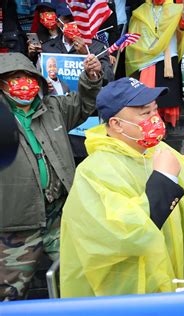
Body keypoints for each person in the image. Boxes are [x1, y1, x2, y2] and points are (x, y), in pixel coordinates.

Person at [59, 77, 184, 297]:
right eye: (145, 113)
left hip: (170, 279)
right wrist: (165, 180)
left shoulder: (154, 151)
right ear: (116, 124)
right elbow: (124, 232)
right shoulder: (94, 171)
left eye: (155, 110)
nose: (155, 119)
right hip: (127, 293)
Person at [0, 52, 102, 301]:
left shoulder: (54, 108)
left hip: (61, 216)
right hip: (16, 226)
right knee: (7, 296)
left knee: (83, 280)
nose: (23, 82)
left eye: (27, 76)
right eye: (14, 77)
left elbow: (85, 103)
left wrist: (91, 76)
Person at [126, 0, 184, 126]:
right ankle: (147, 123)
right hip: (147, 58)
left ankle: (163, 124)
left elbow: (182, 29)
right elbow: (136, 36)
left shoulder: (175, 9)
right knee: (147, 93)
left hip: (167, 57)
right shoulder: (141, 11)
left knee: (166, 96)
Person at [40, 3, 115, 85]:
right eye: (69, 19)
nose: (74, 22)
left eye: (79, 18)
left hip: (86, 96)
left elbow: (109, 79)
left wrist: (86, 55)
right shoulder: (47, 48)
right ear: (58, 22)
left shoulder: (98, 47)